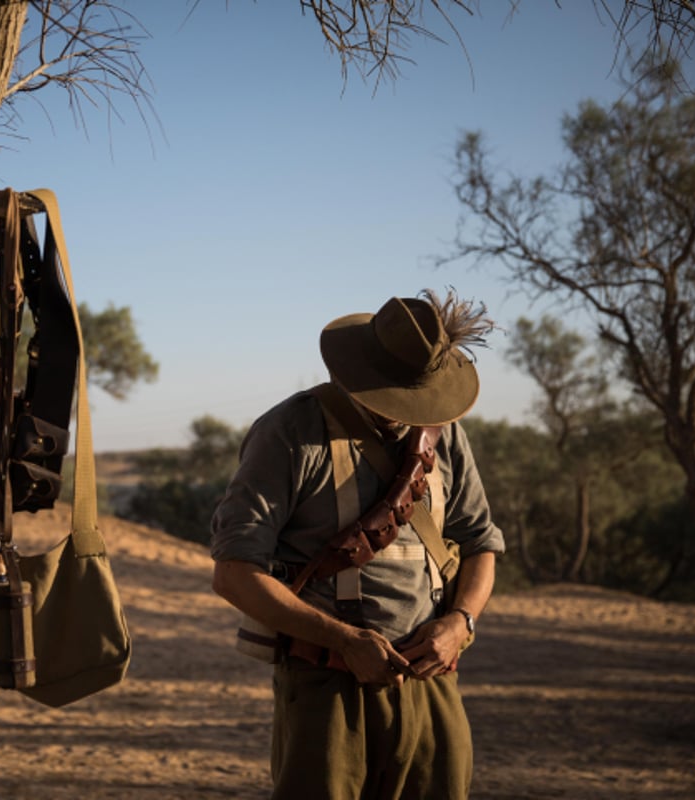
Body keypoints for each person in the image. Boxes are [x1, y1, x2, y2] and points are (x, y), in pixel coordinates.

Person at [210, 289, 506, 799]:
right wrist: (345, 641)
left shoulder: (445, 436)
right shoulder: (288, 432)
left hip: (433, 682)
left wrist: (460, 624)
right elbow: (234, 571)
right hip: (328, 687)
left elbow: (480, 543)